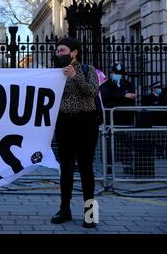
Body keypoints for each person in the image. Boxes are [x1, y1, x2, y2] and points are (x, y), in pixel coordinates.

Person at [51, 37, 100, 229]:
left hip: (86, 122)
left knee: (86, 168)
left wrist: (75, 76)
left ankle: (90, 213)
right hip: (64, 123)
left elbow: (92, 92)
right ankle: (65, 209)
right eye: (57, 51)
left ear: (74, 52)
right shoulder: (54, 73)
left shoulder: (89, 70)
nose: (58, 53)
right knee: (66, 168)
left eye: (62, 50)